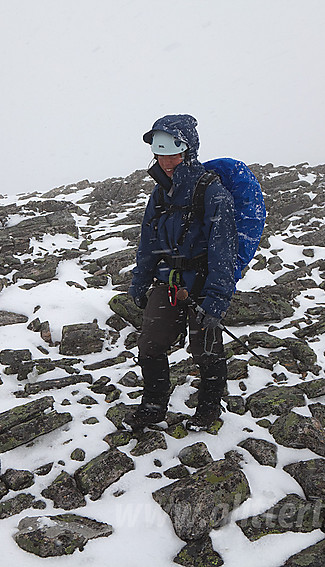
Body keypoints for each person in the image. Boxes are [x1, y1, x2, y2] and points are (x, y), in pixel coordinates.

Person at [125, 114, 238, 431]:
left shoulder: (213, 194)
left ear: (189, 150)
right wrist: (140, 283)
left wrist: (217, 300)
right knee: (150, 345)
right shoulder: (158, 195)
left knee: (207, 350)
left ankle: (208, 410)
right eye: (160, 152)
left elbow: (224, 251)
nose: (166, 160)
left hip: (203, 284)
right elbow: (148, 243)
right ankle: (152, 407)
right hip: (168, 283)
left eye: (173, 151)